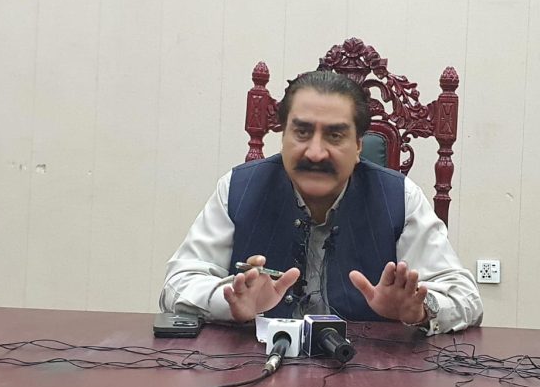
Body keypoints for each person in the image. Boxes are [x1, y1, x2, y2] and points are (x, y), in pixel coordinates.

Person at [160, 70, 482, 334]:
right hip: (252, 369)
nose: (315, 153)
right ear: (283, 137)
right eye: (301, 133)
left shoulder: (400, 196)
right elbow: (177, 285)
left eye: (335, 135)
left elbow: (465, 297)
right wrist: (230, 300)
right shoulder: (239, 187)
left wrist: (420, 309)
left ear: (359, 146)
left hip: (369, 373)